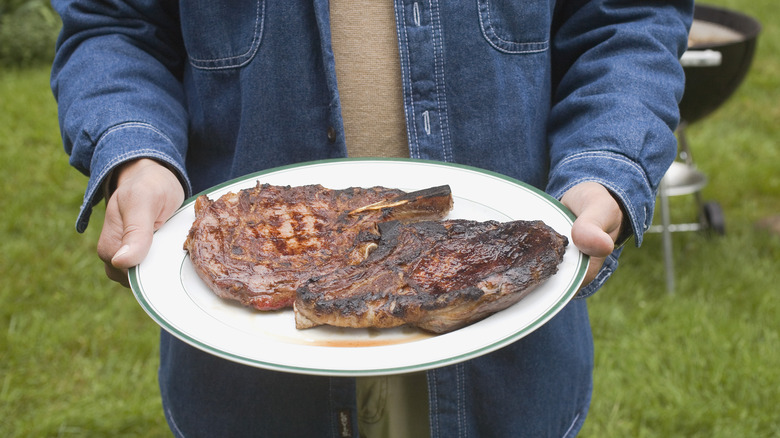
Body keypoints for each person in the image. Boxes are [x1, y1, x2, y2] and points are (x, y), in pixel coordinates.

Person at [50, 1, 693, 436]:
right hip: (247, 378)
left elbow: (630, 19)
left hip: (504, 367)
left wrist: (605, 164)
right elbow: (114, 24)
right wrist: (135, 151)